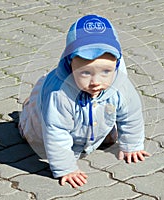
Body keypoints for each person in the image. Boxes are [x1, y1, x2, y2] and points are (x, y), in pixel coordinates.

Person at [19, 14, 150, 188]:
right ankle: (29, 108)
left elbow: (131, 116)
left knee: (109, 128)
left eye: (105, 72)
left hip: (90, 122)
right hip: (43, 125)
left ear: (116, 65)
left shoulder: (121, 86)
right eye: (85, 73)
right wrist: (65, 168)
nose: (96, 82)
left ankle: (93, 136)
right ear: (69, 65)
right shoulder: (59, 94)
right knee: (33, 131)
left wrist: (132, 145)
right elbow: (56, 133)